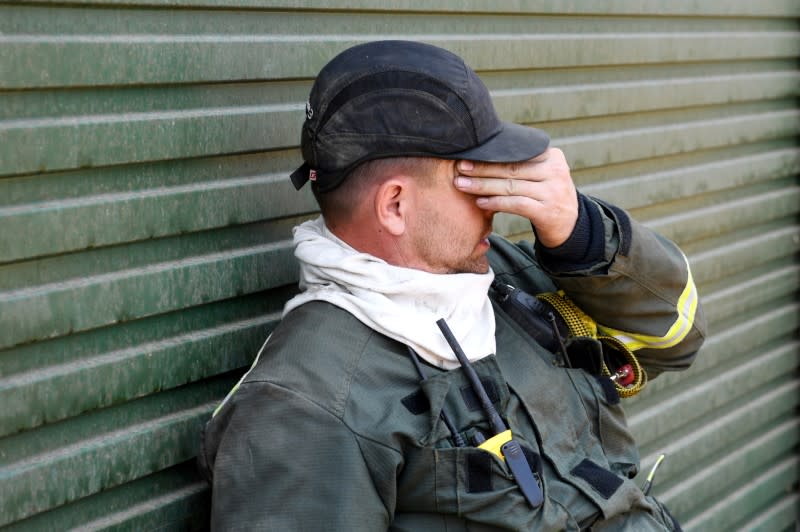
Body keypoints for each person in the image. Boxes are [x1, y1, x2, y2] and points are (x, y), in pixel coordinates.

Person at [198, 40, 706, 531]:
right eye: (475, 178)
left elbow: (675, 343)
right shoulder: (307, 406)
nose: (499, 200)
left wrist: (583, 236)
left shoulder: (502, 277)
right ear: (395, 205)